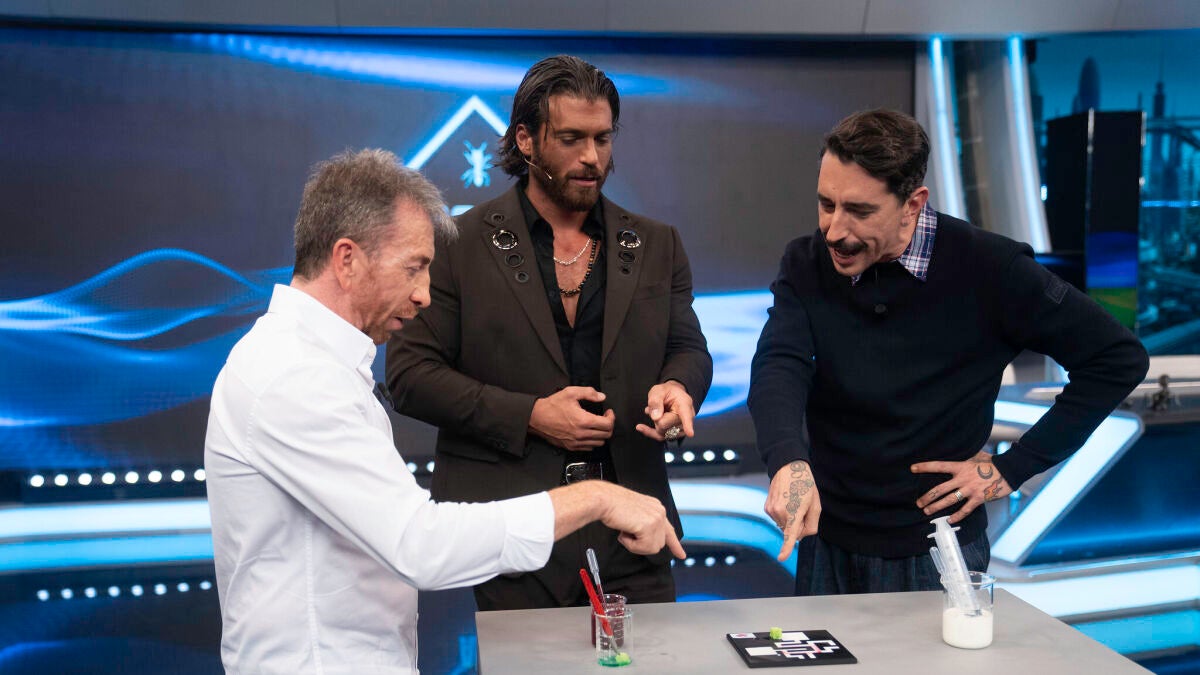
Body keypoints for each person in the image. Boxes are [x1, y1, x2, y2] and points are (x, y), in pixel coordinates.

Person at [204, 149, 685, 674]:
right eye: (413, 268)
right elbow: (420, 545)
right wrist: (595, 497)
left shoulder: (311, 363)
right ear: (347, 260)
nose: (424, 295)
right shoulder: (295, 377)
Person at [748, 109, 1148, 595]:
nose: (834, 230)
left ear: (913, 204)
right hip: (826, 540)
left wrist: (1012, 468)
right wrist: (787, 460)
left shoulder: (991, 268)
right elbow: (779, 363)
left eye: (859, 211)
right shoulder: (806, 260)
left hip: (937, 552)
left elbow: (1117, 358)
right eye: (826, 204)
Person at [386, 55, 712, 611]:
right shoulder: (457, 244)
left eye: (602, 139)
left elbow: (687, 347)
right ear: (526, 141)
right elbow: (410, 376)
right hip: (514, 531)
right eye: (570, 139)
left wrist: (678, 387)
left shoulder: (657, 244)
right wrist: (532, 415)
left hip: (634, 527)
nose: (592, 157)